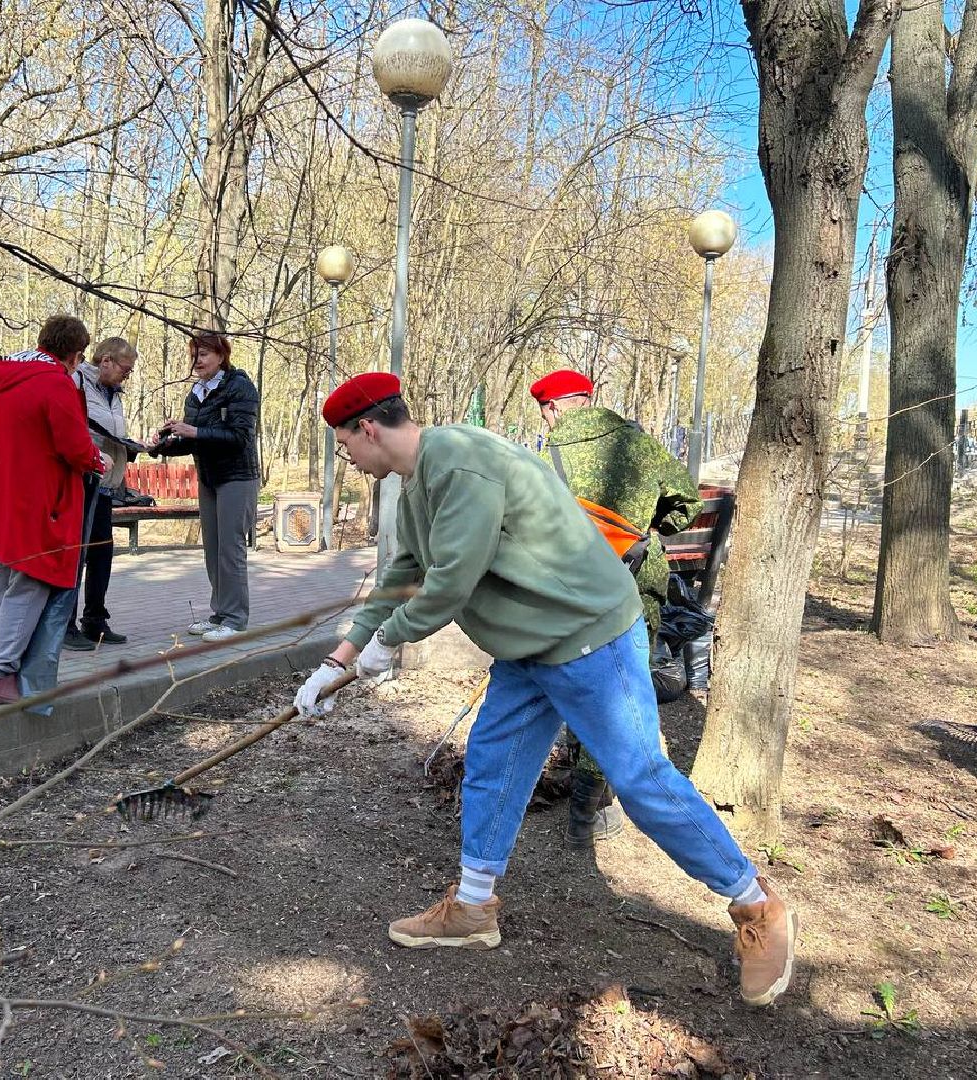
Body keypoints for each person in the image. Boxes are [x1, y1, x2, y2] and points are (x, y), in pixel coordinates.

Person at [292, 372, 795, 1007]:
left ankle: (756, 904)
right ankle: (474, 908)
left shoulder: (460, 463)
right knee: (493, 764)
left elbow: (451, 579)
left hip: (588, 638)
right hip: (529, 647)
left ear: (368, 429)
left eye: (345, 447)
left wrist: (388, 643)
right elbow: (405, 571)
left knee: (640, 780)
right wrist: (336, 660)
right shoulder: (420, 479)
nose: (350, 461)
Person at [530, 369, 703, 848]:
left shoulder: (542, 456)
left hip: (568, 591)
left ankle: (580, 783)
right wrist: (646, 529)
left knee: (580, 683)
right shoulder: (636, 442)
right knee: (619, 692)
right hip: (633, 587)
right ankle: (591, 809)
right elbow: (686, 505)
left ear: (552, 408)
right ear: (588, 398)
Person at [0, 315, 108, 705]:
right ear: (74, 354)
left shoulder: (7, 376)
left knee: (2, 580)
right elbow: (72, 444)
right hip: (35, 499)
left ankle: (1, 672)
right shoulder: (54, 383)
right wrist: (96, 460)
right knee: (33, 578)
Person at [144, 333, 259, 642]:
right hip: (208, 478)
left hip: (237, 477)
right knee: (213, 549)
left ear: (221, 356)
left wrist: (194, 430)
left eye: (204, 354)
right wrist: (160, 445)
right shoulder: (195, 394)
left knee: (230, 550)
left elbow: (240, 438)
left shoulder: (240, 387)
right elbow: (191, 442)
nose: (197, 361)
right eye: (194, 354)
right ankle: (219, 614)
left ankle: (235, 620)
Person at [63, 336, 139, 651]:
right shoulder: (77, 381)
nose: (128, 374)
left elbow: (112, 431)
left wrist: (132, 446)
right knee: (77, 553)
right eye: (125, 368)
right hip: (81, 478)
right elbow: (79, 426)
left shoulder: (113, 392)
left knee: (101, 552)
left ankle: (95, 620)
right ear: (105, 360)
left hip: (105, 481)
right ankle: (65, 624)